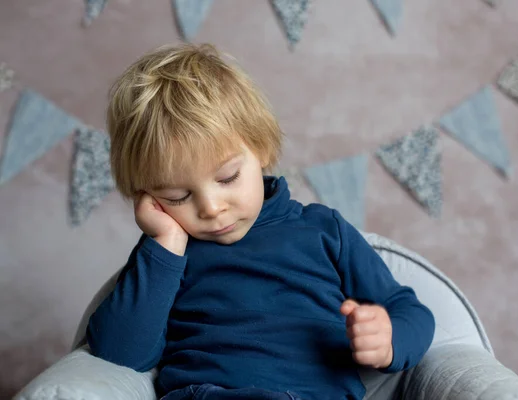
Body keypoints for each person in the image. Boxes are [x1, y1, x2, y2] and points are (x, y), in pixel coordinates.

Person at [86, 43, 435, 400]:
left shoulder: (323, 232)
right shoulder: (164, 258)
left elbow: (412, 312)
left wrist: (389, 338)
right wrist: (165, 245)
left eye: (227, 178)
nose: (211, 207)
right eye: (177, 197)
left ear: (261, 150)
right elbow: (120, 353)